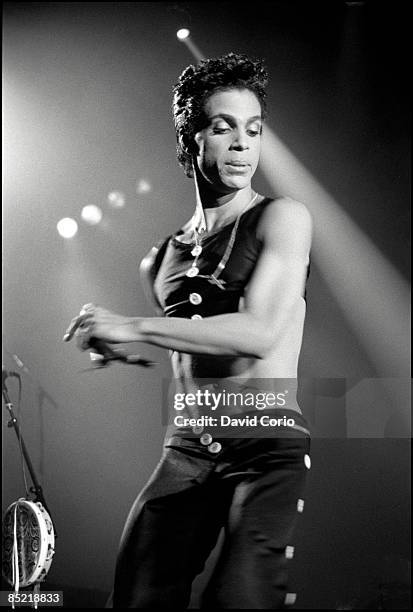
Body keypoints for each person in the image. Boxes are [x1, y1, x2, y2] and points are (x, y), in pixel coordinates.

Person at [64, 52, 313, 609]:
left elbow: (259, 333)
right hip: (187, 449)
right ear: (190, 139)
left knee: (237, 599)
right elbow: (187, 347)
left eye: (253, 130)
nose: (243, 144)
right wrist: (116, 342)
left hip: (265, 446)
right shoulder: (160, 261)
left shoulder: (284, 217)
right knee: (136, 597)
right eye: (224, 128)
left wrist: (132, 326)